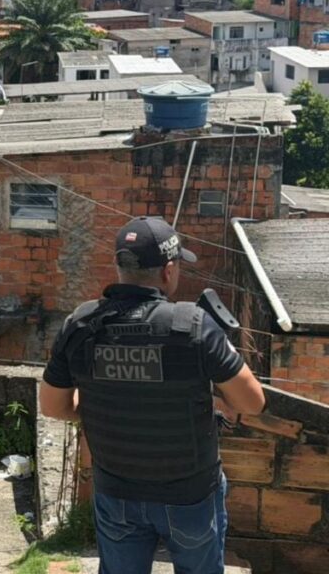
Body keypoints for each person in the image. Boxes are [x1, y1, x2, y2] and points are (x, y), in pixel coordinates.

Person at [40, 216, 266, 574]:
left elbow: (53, 407)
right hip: (189, 496)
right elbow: (252, 403)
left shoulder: (80, 325)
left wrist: (101, 403)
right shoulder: (193, 327)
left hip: (116, 493)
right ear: (168, 270)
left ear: (119, 266)